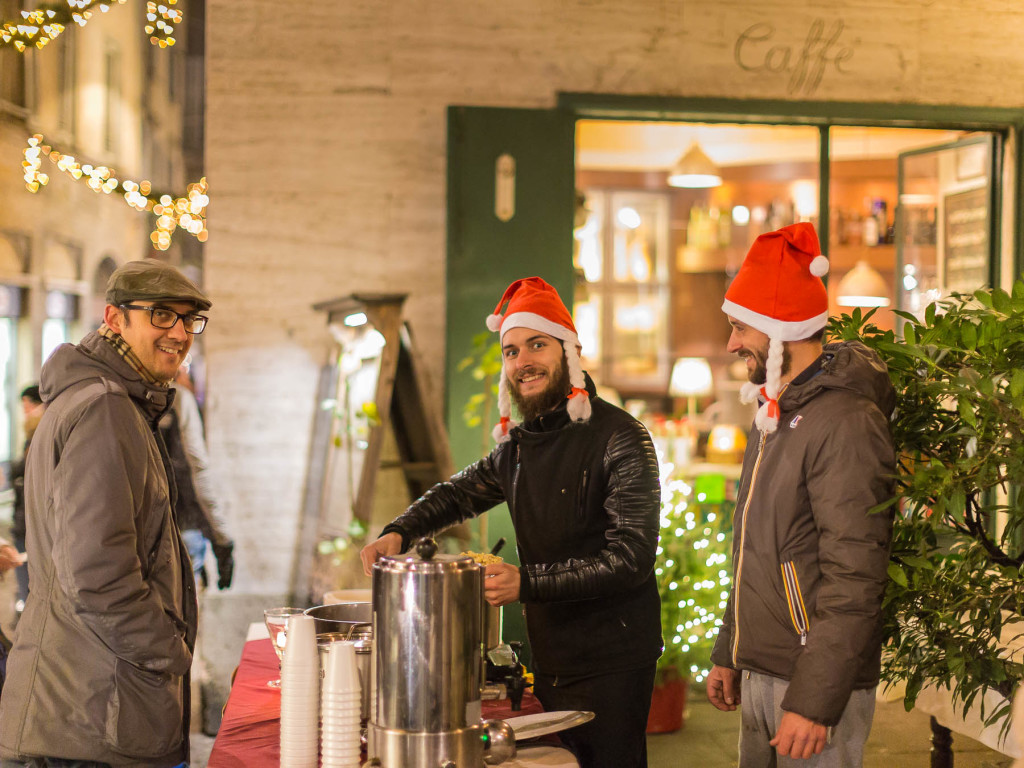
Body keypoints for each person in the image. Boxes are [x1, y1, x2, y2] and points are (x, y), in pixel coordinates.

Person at [360, 277, 663, 768]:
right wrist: (399, 531)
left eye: (536, 345)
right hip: (551, 656)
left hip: (612, 660)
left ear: (568, 352)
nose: (522, 362)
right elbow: (457, 493)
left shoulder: (622, 437)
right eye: (511, 351)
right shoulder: (520, 445)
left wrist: (527, 582)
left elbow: (630, 559)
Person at [0, 260, 211, 768]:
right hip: (86, 722)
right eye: (162, 316)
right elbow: (97, 575)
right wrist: (168, 653)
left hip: (88, 709)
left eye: (189, 320)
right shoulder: (105, 409)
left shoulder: (116, 402)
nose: (179, 333)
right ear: (114, 319)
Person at [706, 223, 896, 767]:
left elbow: (855, 577)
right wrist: (730, 651)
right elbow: (754, 550)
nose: (732, 343)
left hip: (812, 682)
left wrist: (814, 702)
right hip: (765, 668)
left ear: (779, 330)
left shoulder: (846, 422)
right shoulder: (773, 414)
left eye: (741, 327)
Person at [159, 370, 234, 591]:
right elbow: (196, 468)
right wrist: (223, 541)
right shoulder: (178, 399)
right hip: (182, 527)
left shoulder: (116, 396)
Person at [9, 384, 45, 621]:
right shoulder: (30, 439)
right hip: (25, 522)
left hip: (31, 525)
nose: (25, 410)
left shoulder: (39, 438)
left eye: (29, 405)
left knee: (30, 580)